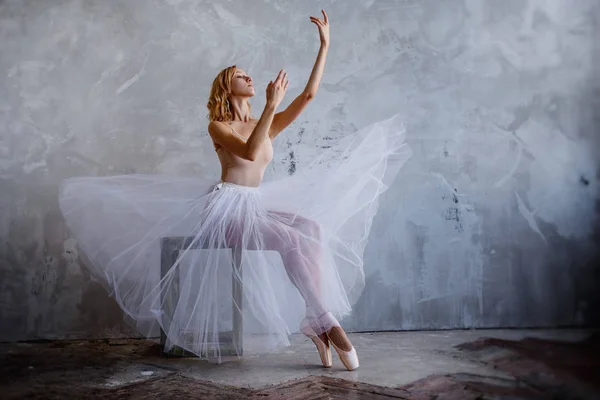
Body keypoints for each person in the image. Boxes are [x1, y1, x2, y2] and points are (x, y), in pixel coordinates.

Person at [58, 10, 412, 370]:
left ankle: (313, 318)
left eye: (248, 74)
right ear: (227, 88)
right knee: (291, 241)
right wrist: (271, 107)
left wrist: (324, 46)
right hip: (225, 211)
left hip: (255, 205)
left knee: (312, 229)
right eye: (240, 75)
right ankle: (326, 320)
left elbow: (307, 97)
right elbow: (249, 152)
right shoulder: (219, 127)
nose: (249, 77)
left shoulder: (263, 123)